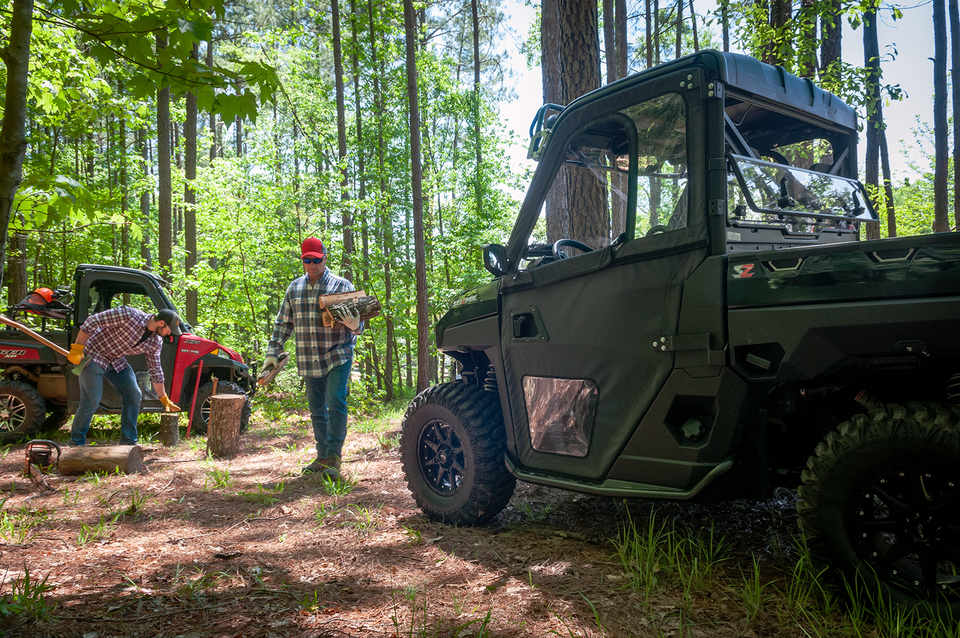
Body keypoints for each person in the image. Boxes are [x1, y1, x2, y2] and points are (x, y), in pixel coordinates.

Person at [263, 237, 362, 477]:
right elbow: (282, 324)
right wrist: (272, 353)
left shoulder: (342, 286)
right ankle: (322, 456)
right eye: (306, 260)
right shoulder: (294, 288)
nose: (311, 265)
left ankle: (334, 459)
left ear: (325, 259)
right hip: (308, 356)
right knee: (317, 408)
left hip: (338, 353)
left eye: (316, 260)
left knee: (335, 400)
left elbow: (360, 326)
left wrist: (355, 323)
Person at [68, 307, 182, 446]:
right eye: (169, 329)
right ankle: (76, 443)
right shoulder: (129, 315)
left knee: (133, 394)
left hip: (115, 359)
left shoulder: (155, 341)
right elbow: (93, 320)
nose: (169, 333)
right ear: (161, 323)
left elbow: (155, 369)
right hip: (93, 355)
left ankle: (128, 444)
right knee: (91, 400)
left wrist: (163, 398)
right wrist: (78, 347)